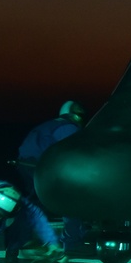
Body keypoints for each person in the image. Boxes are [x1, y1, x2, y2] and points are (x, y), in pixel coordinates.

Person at [16, 100, 87, 249]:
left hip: (25, 164)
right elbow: (75, 153)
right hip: (41, 166)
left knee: (33, 203)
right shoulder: (68, 127)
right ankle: (72, 243)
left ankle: (21, 241)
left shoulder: (51, 124)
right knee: (71, 200)